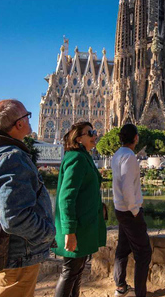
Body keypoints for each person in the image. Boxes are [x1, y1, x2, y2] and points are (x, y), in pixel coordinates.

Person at [0, 99, 56, 297]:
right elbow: (14, 217)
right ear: (18, 123)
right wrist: (47, 233)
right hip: (17, 256)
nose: (29, 120)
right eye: (27, 116)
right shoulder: (10, 156)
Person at [53, 122, 107, 297]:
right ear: (78, 138)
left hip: (82, 227)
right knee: (70, 271)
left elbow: (85, 190)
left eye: (95, 132)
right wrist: (69, 230)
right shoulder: (76, 158)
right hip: (77, 228)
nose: (95, 135)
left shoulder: (83, 157)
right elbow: (66, 197)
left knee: (76, 271)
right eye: (90, 132)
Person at [112, 124, 152, 297]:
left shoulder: (117, 155)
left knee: (122, 249)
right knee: (143, 253)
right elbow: (127, 186)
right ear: (135, 138)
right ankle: (140, 294)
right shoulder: (129, 157)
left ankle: (120, 286)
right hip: (129, 212)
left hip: (120, 210)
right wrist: (135, 211)